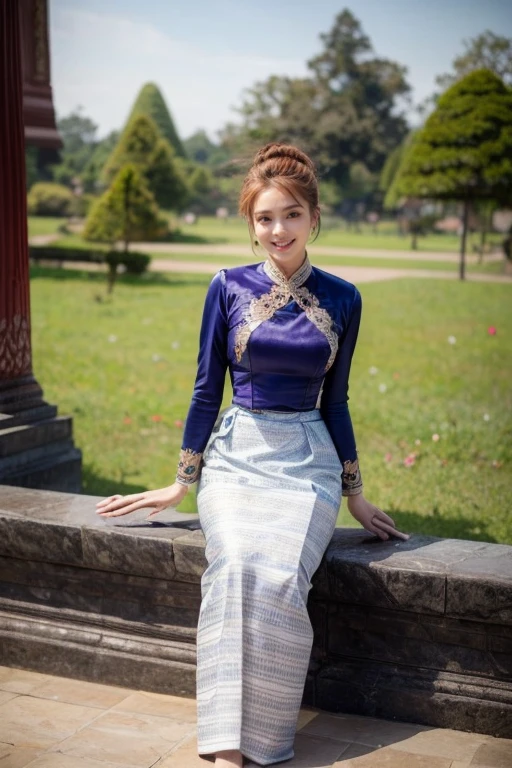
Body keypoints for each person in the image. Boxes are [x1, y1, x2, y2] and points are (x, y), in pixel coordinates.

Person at [96, 143, 410, 768]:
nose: (278, 230)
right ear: (250, 223)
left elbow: (337, 400)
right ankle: (224, 747)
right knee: (236, 563)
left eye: (291, 215)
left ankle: (264, 743)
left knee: (280, 573)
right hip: (237, 457)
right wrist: (181, 483)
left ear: (313, 218)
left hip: (308, 464)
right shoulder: (226, 287)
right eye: (265, 218)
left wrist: (355, 493)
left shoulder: (344, 299)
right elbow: (206, 389)